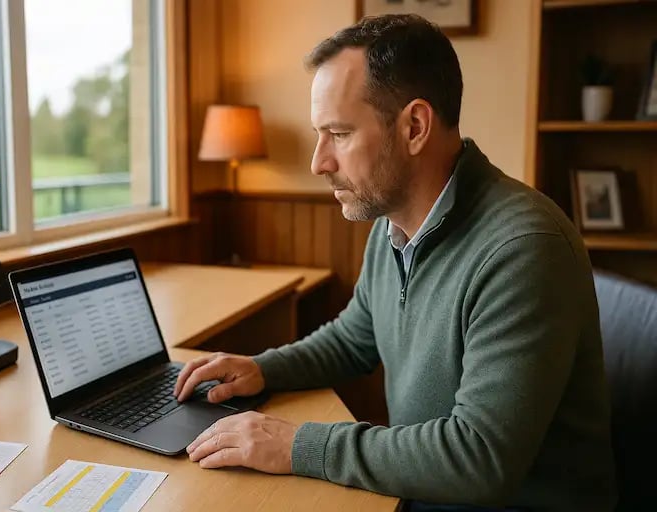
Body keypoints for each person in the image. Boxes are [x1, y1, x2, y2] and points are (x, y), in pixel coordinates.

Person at [173, 14, 616, 511]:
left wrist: (295, 445)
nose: (319, 161)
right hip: (427, 493)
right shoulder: (394, 223)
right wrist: (261, 368)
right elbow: (355, 338)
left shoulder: (522, 248)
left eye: (338, 134)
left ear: (415, 127)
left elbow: (480, 459)